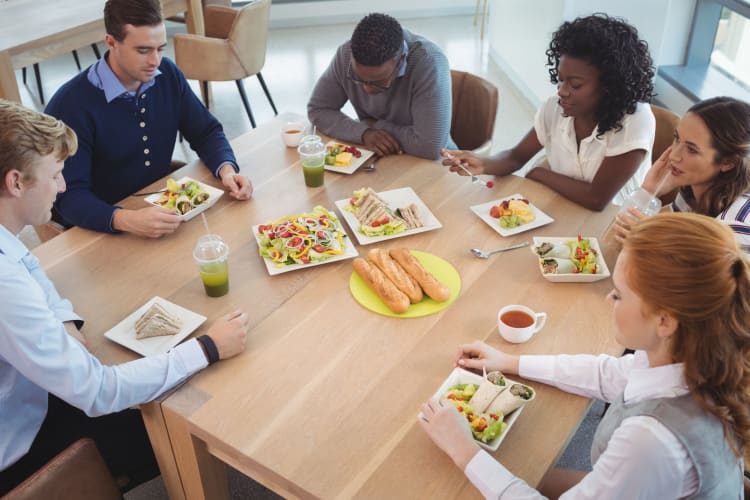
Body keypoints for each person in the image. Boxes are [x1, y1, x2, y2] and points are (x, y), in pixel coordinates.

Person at [0, 100, 250, 494]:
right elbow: (99, 392)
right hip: (19, 446)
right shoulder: (3, 285)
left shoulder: (6, 240)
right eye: (56, 174)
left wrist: (65, 325)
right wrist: (208, 347)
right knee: (173, 421)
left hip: (33, 395)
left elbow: (32, 272)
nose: (64, 186)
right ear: (16, 182)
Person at [420, 212, 749, 498]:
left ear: (664, 321)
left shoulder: (650, 443)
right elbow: (607, 374)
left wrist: (464, 451)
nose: (609, 298)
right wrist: (509, 362)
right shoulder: (690, 357)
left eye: (619, 294)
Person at [44, 0, 253, 238]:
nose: (155, 61)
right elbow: (69, 197)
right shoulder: (71, 106)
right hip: (101, 230)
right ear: (111, 42)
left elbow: (205, 132)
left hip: (160, 213)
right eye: (143, 50)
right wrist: (126, 219)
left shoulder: (167, 75)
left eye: (160, 48)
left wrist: (227, 170)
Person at [442, 14, 656, 211]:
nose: (562, 91)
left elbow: (597, 198)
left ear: (609, 86)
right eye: (561, 79)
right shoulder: (555, 107)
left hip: (613, 224)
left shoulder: (634, 121)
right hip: (562, 208)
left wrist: (539, 173)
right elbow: (516, 157)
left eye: (575, 84)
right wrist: (482, 162)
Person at [307, 12, 456, 160]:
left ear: (401, 60)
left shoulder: (429, 63)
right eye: (359, 78)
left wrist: (376, 125)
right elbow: (318, 109)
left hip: (437, 164)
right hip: (383, 158)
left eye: (379, 83)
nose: (368, 90)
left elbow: (430, 147)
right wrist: (364, 133)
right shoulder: (345, 54)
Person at [614, 96, 750, 253]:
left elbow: (692, 276)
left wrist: (652, 241)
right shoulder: (694, 194)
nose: (674, 156)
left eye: (692, 150)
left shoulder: (737, 228)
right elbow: (619, 240)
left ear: (728, 162)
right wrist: (649, 190)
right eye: (677, 139)